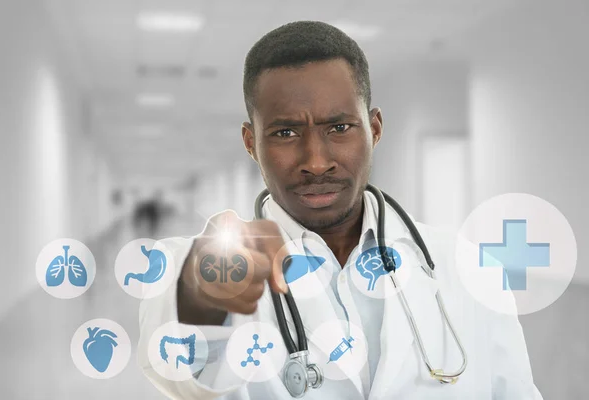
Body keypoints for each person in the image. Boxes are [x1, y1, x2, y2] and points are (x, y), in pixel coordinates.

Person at [138, 21, 542, 399]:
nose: (316, 160)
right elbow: (174, 365)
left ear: (375, 128)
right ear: (250, 142)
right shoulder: (204, 265)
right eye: (285, 132)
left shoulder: (468, 267)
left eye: (339, 127)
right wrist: (200, 300)